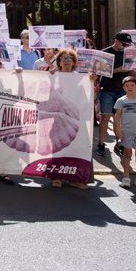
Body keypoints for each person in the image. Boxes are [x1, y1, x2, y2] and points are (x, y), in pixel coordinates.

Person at [48, 49, 90, 189]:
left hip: (76, 119)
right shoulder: (54, 76)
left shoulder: (82, 78)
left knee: (76, 148)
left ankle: (75, 178)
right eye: (63, 58)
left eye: (69, 58)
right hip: (59, 118)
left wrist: (92, 83)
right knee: (59, 147)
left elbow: (87, 99)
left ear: (74, 62)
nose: (66, 61)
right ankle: (57, 176)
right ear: (59, 62)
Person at [96, 32, 136, 157]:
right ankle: (101, 144)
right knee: (105, 117)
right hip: (107, 89)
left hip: (122, 90)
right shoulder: (104, 53)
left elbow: (130, 70)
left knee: (120, 119)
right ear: (116, 40)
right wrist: (118, 70)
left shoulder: (127, 53)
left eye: (127, 44)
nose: (126, 46)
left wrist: (135, 74)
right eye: (124, 43)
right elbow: (100, 71)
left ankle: (119, 144)